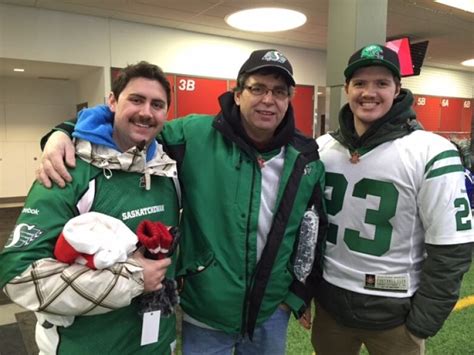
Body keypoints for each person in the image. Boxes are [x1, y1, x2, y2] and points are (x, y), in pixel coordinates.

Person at [35, 49, 327, 354]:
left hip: (269, 314)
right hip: (206, 311)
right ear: (238, 94)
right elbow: (135, 122)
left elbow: (312, 230)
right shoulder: (193, 135)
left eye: (279, 91)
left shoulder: (305, 156)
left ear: (288, 99)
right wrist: (64, 131)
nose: (269, 99)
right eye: (258, 88)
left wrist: (296, 294)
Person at [0, 61, 181, 354]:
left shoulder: (169, 168)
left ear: (166, 113)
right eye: (135, 99)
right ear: (111, 101)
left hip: (157, 343)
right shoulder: (67, 169)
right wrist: (133, 279)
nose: (146, 112)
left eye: (157, 104)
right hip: (83, 347)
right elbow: (18, 276)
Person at [304, 44, 474, 355]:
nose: (369, 92)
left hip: (394, 314)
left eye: (381, 83)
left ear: (397, 89)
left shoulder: (432, 151)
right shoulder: (322, 148)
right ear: (346, 89)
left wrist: (423, 321)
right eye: (360, 83)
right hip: (330, 307)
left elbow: (452, 248)